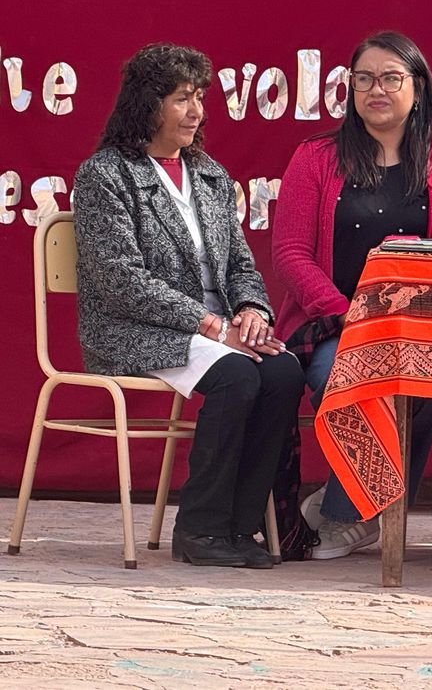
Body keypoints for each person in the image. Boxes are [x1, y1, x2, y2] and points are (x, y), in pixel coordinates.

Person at [73, 43, 304, 569]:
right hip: (135, 327)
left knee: (284, 372)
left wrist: (251, 312)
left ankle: (239, 528)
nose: (197, 111)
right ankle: (199, 530)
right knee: (237, 377)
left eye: (200, 97)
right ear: (145, 105)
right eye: (182, 98)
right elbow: (119, 278)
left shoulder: (211, 176)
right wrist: (209, 324)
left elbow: (243, 264)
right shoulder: (105, 176)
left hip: (213, 328)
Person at [273, 30, 432, 560]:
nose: (376, 90)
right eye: (364, 79)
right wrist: (346, 315)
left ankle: (346, 511)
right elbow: (292, 253)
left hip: (420, 328)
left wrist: (416, 322)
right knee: (337, 376)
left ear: (418, 87)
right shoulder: (315, 157)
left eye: (391, 78)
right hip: (332, 325)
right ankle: (369, 511)